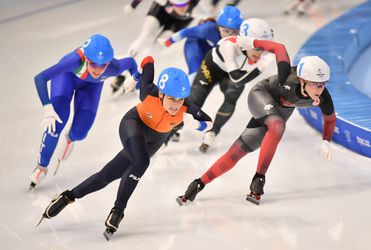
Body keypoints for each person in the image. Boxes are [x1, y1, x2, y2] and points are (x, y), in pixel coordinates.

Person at [37, 57, 213, 240]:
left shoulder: (187, 107)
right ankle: (118, 211)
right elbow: (148, 60)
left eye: (180, 99)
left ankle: (68, 196)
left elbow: (209, 123)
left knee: (106, 176)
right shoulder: (148, 92)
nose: (176, 105)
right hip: (134, 124)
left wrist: (198, 126)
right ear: (161, 94)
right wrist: (136, 77)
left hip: (155, 139)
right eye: (171, 98)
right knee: (142, 161)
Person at [177, 55, 336, 206]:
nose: (320, 88)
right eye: (315, 83)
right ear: (302, 80)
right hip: (262, 94)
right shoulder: (287, 76)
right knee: (277, 125)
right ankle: (259, 178)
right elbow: (279, 49)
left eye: (323, 84)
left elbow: (330, 119)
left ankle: (198, 184)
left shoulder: (324, 97)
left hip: (279, 112)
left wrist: (325, 141)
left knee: (238, 150)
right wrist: (254, 43)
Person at [29, 34, 140, 190]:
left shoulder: (113, 67)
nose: (98, 69)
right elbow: (39, 78)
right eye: (93, 64)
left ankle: (70, 138)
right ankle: (41, 166)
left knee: (80, 132)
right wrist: (47, 107)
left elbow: (131, 63)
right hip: (66, 78)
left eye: (103, 65)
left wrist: (135, 80)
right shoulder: (73, 61)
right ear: (86, 59)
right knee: (57, 120)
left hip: (91, 87)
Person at [182, 18, 278, 152]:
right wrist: (261, 66)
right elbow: (236, 78)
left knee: (232, 95)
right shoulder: (229, 46)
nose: (260, 53)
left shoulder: (262, 49)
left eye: (264, 47)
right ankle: (172, 128)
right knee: (195, 100)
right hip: (213, 68)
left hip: (234, 74)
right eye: (257, 48)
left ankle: (213, 132)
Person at [111, 0, 201, 93]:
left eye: (184, 4)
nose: (181, 8)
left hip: (181, 20)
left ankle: (138, 74)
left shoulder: (199, 8)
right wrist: (133, 5)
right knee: (145, 35)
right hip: (161, 10)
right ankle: (124, 71)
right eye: (177, 5)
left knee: (159, 46)